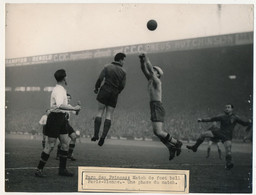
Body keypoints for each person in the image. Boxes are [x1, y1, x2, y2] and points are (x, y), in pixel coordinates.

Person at [35, 69, 81, 177]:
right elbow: (60, 105)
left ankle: (62, 170)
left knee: (65, 144)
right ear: (64, 78)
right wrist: (74, 107)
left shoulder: (61, 89)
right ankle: (39, 169)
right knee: (50, 145)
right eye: (66, 76)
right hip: (55, 118)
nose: (67, 78)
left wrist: (75, 109)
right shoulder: (59, 90)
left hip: (61, 118)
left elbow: (64, 107)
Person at [138, 53, 182, 161]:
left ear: (158, 74)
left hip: (157, 106)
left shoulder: (157, 81)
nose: (152, 71)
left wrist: (146, 58)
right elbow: (143, 68)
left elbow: (148, 68)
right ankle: (170, 147)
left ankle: (177, 143)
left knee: (158, 132)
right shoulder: (150, 80)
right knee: (156, 132)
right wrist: (141, 60)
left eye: (154, 70)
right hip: (153, 106)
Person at [187, 104, 252, 170]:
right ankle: (195, 147)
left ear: (232, 109)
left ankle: (228, 163)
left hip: (227, 136)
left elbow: (244, 124)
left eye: (228, 107)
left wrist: (249, 122)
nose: (226, 108)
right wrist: (202, 120)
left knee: (228, 150)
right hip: (219, 132)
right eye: (226, 107)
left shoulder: (235, 117)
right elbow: (212, 119)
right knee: (203, 134)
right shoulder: (222, 116)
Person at [91, 53, 127, 146]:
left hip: (105, 90)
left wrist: (96, 88)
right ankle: (103, 137)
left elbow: (100, 78)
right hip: (114, 93)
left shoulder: (107, 67)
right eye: (123, 60)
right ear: (120, 60)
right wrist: (117, 92)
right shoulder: (123, 71)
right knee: (109, 115)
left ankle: (95, 135)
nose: (124, 62)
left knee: (99, 112)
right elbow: (122, 86)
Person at [56, 93, 79, 161]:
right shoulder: (61, 106)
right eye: (67, 98)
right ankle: (58, 154)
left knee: (74, 137)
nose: (68, 100)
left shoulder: (69, 106)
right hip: (60, 124)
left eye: (69, 99)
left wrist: (78, 109)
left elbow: (76, 113)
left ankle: (69, 154)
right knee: (63, 141)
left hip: (67, 124)